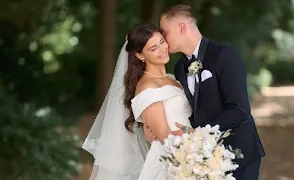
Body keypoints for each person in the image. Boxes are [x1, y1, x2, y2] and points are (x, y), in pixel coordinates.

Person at [144, 4, 265, 180]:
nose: (162, 38)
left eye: (165, 32)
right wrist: (158, 129)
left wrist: (198, 132)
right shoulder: (179, 68)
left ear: (182, 27)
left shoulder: (224, 55)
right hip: (201, 158)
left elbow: (239, 110)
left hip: (239, 153)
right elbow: (190, 109)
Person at [83, 23, 193, 180]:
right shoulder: (147, 87)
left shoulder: (172, 78)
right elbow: (164, 135)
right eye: (153, 48)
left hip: (188, 149)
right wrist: (195, 157)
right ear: (140, 56)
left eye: (162, 41)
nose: (162, 49)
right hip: (173, 158)